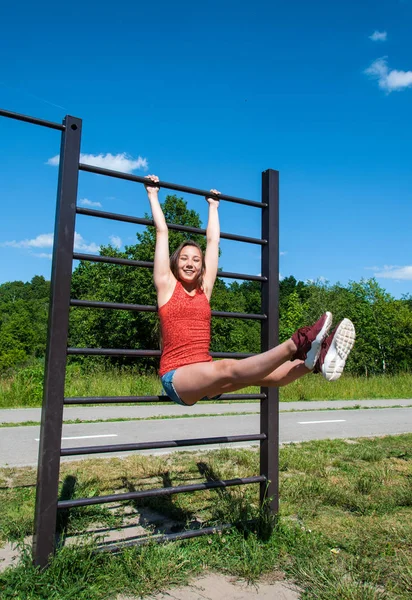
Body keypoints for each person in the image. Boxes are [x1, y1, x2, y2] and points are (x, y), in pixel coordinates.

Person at [144, 175, 356, 406]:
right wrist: (153, 194)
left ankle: (317, 362)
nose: (189, 263)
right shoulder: (166, 285)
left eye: (196, 259)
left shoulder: (205, 288)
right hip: (177, 378)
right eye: (184, 258)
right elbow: (162, 231)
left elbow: (213, 242)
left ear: (201, 266)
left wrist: (213, 207)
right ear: (175, 263)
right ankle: (297, 343)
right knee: (227, 367)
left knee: (268, 377)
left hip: (207, 374)